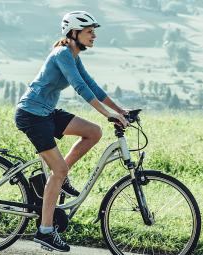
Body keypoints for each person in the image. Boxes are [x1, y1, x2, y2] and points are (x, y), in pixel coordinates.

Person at [14, 11, 129, 252]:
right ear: (74, 33)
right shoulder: (62, 53)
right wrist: (107, 113)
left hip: (46, 112)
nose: (94, 35)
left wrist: (121, 110)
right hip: (32, 115)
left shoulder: (73, 55)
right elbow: (79, 87)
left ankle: (60, 178)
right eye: (89, 32)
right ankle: (45, 231)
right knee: (59, 169)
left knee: (93, 132)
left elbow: (92, 86)